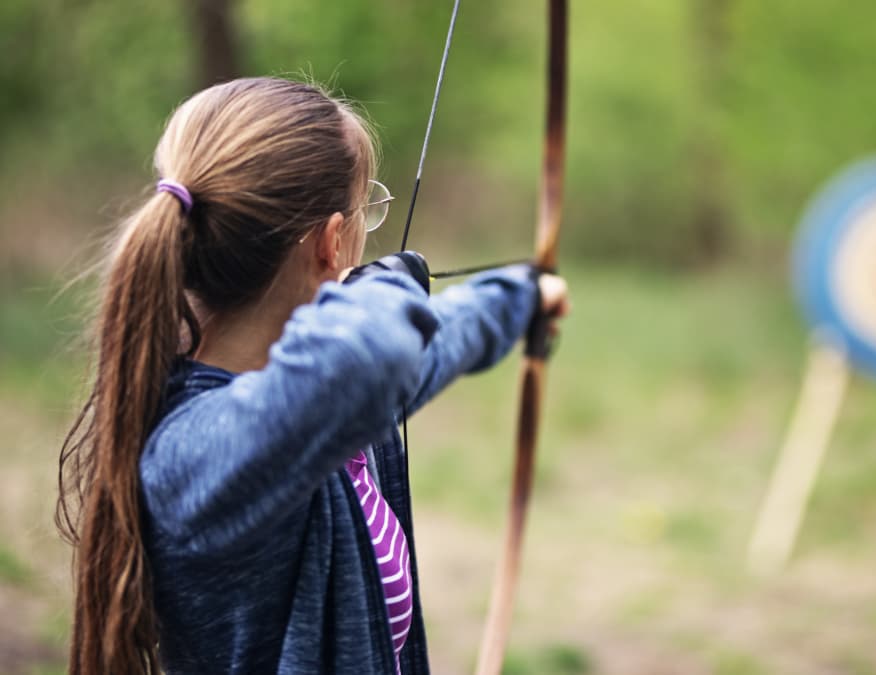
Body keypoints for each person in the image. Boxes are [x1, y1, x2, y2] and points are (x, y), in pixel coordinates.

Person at [56, 76, 569, 675]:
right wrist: (386, 285)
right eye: (366, 210)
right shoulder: (197, 453)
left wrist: (515, 300)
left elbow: (409, 358)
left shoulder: (319, 406)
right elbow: (373, 356)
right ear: (331, 242)